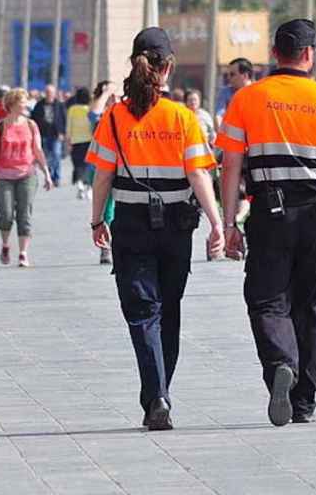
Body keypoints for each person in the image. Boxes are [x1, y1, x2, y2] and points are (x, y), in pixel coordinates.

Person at [216, 18, 316, 427]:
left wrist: (230, 223)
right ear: (309, 54)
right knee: (311, 306)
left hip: (269, 213)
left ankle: (281, 363)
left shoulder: (248, 99)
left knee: (267, 300)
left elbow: (230, 165)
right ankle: (304, 402)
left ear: (274, 54)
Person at [87, 27, 224, 431]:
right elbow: (199, 177)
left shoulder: (114, 118)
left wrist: (98, 220)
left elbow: (101, 178)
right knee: (169, 310)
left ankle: (156, 394)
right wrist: (217, 223)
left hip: (130, 225)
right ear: (168, 68)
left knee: (143, 313)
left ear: (134, 64)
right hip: (176, 228)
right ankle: (159, 393)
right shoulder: (182, 118)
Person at [0, 88, 53, 268]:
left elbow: (38, 150)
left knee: (25, 213)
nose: (26, 104)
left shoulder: (31, 125)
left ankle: (23, 253)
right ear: (13, 104)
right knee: (6, 214)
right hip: (3, 176)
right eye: (23, 101)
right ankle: (6, 245)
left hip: (27, 174)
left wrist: (46, 173)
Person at [88, 81, 118, 265]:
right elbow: (93, 114)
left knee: (119, 209)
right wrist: (106, 94)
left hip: (124, 167)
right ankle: (105, 248)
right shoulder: (102, 115)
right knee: (107, 209)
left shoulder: (122, 112)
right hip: (103, 166)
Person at [30, 84, 67, 186]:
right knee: (46, 156)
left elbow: (64, 119)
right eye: (47, 92)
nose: (49, 94)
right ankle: (49, 175)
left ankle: (57, 176)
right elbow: (34, 119)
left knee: (56, 154)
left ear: (54, 93)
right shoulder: (39, 105)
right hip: (43, 134)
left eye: (51, 92)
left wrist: (63, 132)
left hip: (56, 134)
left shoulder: (59, 105)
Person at [64, 87, 94, 198]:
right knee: (88, 165)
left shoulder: (72, 109)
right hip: (89, 140)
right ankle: (88, 187)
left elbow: (68, 126)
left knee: (78, 164)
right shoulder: (90, 109)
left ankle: (80, 184)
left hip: (75, 140)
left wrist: (68, 140)